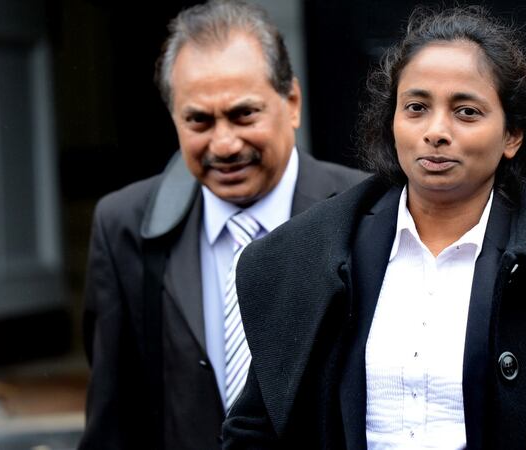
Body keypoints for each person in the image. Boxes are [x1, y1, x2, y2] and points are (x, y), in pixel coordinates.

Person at [223, 5, 526, 450]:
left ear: (512, 135)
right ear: (393, 122)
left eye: (467, 112)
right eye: (416, 107)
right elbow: (255, 431)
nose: (436, 131)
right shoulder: (311, 252)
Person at [79, 1, 366, 448]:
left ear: (291, 102)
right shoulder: (124, 225)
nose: (225, 144)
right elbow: (114, 419)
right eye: (199, 120)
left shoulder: (366, 213)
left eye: (243, 114)